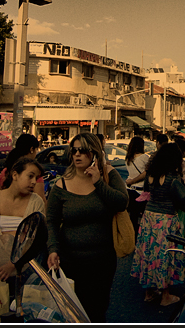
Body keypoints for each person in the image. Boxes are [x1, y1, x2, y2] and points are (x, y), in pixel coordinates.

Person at [46, 132, 129, 322]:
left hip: (102, 261)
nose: (77, 155)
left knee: (97, 310)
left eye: (83, 151)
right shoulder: (62, 184)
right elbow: (51, 220)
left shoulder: (108, 175)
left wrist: (98, 182)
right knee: (73, 311)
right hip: (70, 261)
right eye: (74, 151)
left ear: (94, 153)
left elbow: (122, 203)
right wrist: (53, 249)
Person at [0, 156, 45, 296]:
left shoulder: (36, 202)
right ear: (15, 174)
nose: (34, 182)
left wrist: (13, 266)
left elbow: (36, 239)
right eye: (30, 176)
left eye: (36, 178)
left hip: (24, 271)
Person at [130, 142, 185, 307]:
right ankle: (165, 295)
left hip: (149, 217)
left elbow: (146, 194)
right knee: (165, 255)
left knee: (149, 253)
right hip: (166, 219)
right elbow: (183, 199)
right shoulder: (173, 177)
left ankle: (149, 292)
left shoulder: (150, 174)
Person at [0, 134, 45, 201]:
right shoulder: (35, 173)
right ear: (31, 149)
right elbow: (41, 199)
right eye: (36, 149)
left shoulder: (6, 171)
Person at [124, 137, 152, 233]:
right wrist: (134, 181)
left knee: (133, 217)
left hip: (129, 190)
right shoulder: (144, 157)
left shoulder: (128, 158)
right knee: (143, 217)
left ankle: (132, 237)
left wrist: (131, 181)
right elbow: (146, 173)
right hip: (140, 191)